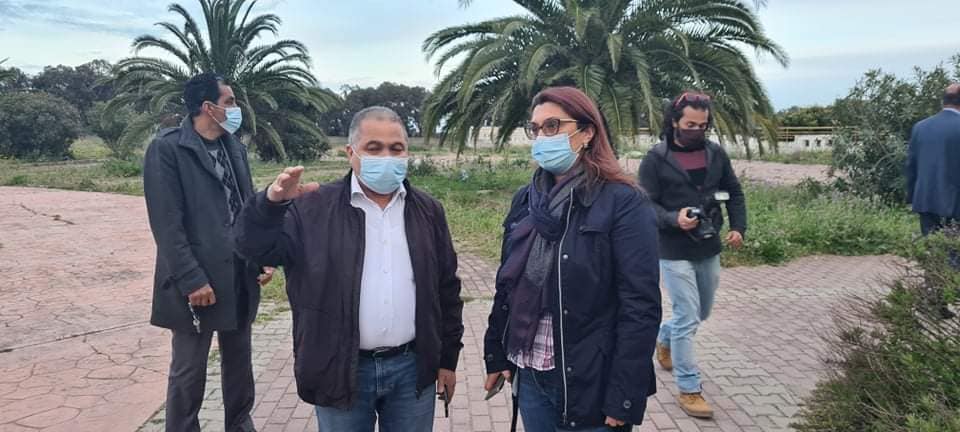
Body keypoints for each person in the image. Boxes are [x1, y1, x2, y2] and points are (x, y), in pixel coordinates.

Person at [233, 106, 464, 432]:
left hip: (412, 369)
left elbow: (447, 288)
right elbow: (252, 248)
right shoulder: (311, 207)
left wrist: (447, 360)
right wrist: (270, 206)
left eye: (396, 148)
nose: (387, 157)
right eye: (374, 148)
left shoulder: (427, 210)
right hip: (339, 368)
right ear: (350, 152)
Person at [482, 86, 662, 431]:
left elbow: (640, 305)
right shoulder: (527, 200)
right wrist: (496, 351)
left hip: (589, 380)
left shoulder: (623, 202)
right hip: (531, 371)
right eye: (535, 129)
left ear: (587, 132)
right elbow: (508, 284)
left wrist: (624, 393)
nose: (541, 137)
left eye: (552, 126)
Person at [143, 72, 273, 432]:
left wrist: (260, 256)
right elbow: (167, 224)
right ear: (207, 107)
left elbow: (246, 208)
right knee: (189, 371)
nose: (236, 108)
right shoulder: (168, 149)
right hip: (197, 283)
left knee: (239, 366)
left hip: (238, 276)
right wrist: (191, 279)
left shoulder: (234, 148)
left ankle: (240, 427)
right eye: (230, 101)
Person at [638, 91, 747, 419]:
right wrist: (674, 219)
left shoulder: (716, 153)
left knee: (702, 312)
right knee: (687, 315)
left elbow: (734, 192)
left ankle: (664, 337)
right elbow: (646, 205)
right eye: (690, 125)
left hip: (708, 244)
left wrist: (738, 227)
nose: (697, 130)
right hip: (673, 249)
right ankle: (689, 388)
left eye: (702, 125)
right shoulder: (656, 158)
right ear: (674, 122)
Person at [907, 83, 960, 236]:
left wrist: (911, 197)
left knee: (932, 246)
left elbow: (911, 166)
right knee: (954, 248)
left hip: (926, 200)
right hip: (956, 204)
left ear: (944, 101)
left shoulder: (920, 127)